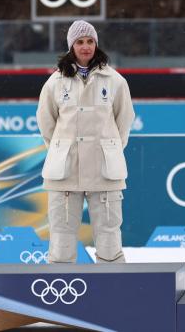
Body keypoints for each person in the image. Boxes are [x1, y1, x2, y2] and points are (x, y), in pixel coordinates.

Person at [36, 20, 135, 263]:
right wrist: (62, 149)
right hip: (65, 170)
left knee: (109, 235)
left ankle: (112, 292)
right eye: (80, 42)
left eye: (90, 41)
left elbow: (124, 120)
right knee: (61, 236)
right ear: (71, 46)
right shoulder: (55, 82)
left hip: (105, 170)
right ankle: (60, 294)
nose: (86, 46)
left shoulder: (115, 81)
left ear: (96, 44)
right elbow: (46, 122)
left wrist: (108, 149)